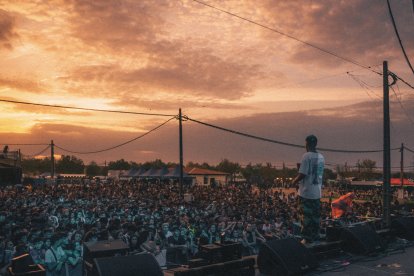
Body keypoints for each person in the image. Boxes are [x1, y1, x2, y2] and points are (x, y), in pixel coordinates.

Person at [292, 135, 325, 245]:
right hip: (317, 191)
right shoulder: (321, 157)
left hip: (306, 192)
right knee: (315, 215)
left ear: (307, 144)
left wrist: (294, 181)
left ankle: (306, 238)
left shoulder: (306, 156)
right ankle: (315, 235)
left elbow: (302, 174)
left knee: (305, 216)